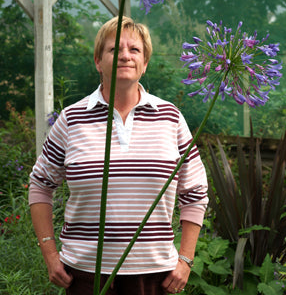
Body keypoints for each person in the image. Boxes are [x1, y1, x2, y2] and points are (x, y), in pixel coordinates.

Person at [29, 16, 208, 295]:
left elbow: (195, 192)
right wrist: (50, 255)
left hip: (154, 275)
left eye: (134, 50)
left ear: (145, 63)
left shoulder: (170, 118)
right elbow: (40, 186)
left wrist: (185, 259)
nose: (125, 55)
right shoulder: (72, 119)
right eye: (114, 49)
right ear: (98, 61)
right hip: (85, 275)